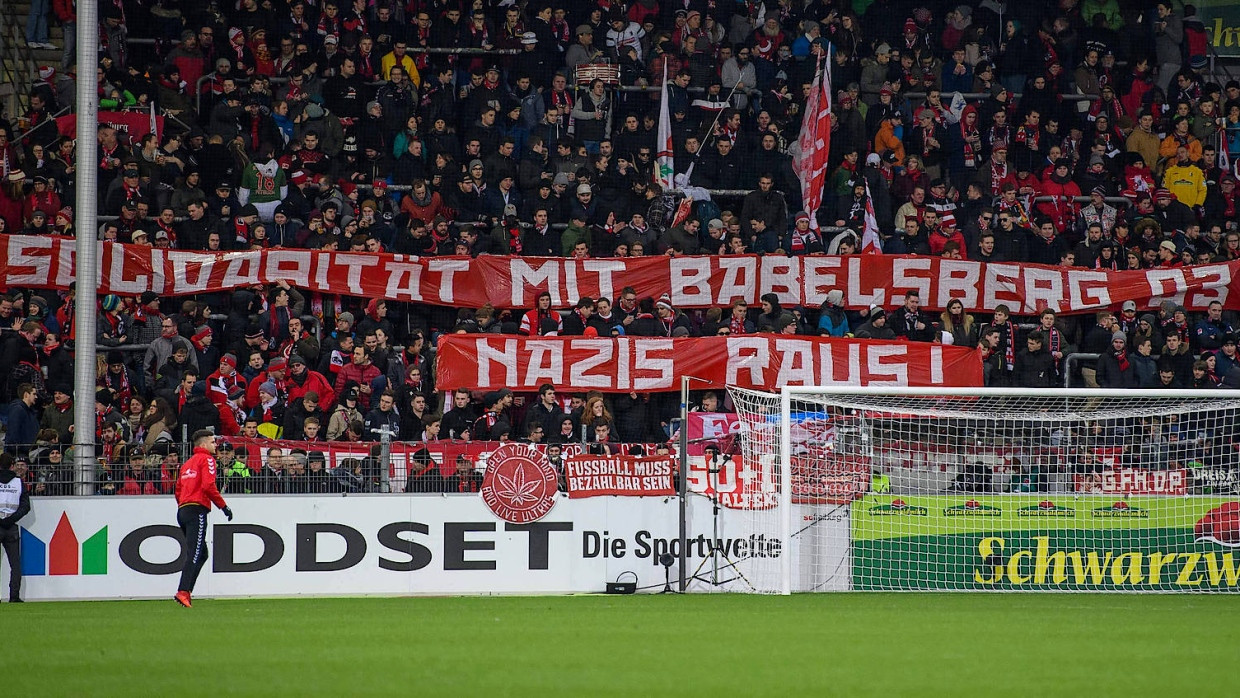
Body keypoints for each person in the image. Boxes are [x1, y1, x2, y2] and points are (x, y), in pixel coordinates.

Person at [173, 429, 232, 608]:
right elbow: (208, 485)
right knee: (195, 552)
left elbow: (177, 489)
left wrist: (183, 504)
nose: (216, 445)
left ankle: (187, 591)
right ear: (204, 444)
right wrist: (223, 506)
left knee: (202, 553)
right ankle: (183, 591)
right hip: (196, 509)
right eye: (213, 442)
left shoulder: (187, 464)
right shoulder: (207, 459)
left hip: (183, 510)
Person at [0, 452, 32, 602]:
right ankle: (14, 596)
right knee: (15, 564)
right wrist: (12, 518)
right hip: (11, 525)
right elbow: (25, 506)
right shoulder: (18, 482)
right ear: (12, 466)